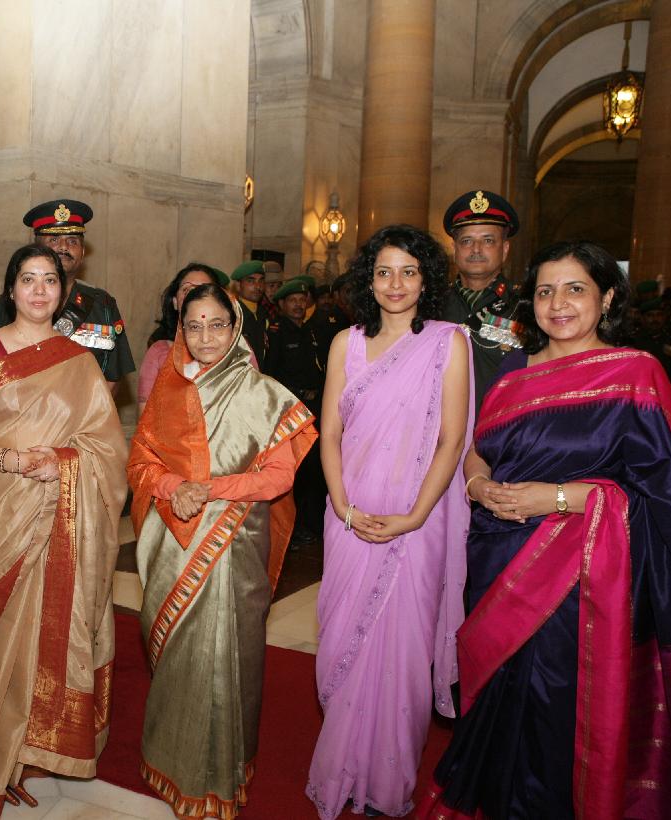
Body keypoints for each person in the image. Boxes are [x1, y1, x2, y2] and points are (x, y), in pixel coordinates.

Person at [419, 241, 671, 819]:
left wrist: (554, 497)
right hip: (498, 557)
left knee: (556, 703)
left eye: (576, 289)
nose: (558, 304)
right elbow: (478, 449)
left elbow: (664, 501)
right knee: (497, 695)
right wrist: (478, 484)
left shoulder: (635, 374)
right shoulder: (511, 374)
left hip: (583, 581)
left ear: (608, 297)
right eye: (545, 291)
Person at [0, 244, 127, 819]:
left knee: (48, 635)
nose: (40, 290)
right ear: (11, 289)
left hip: (61, 513)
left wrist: (64, 463)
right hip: (0, 509)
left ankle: (19, 759)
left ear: (63, 292)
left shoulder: (81, 360)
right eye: (28, 279)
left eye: (50, 280)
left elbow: (107, 447)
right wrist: (16, 462)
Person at [128, 283, 317, 819]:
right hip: (175, 538)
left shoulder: (264, 393)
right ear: (181, 331)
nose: (206, 337)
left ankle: (222, 772)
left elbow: (278, 478)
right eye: (194, 326)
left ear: (235, 328)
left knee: (232, 654)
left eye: (217, 325)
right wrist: (174, 487)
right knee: (180, 653)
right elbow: (139, 464)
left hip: (237, 544)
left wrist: (206, 490)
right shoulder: (168, 391)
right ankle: (171, 762)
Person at [305, 225, 471, 818]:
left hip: (416, 521)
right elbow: (329, 434)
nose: (395, 284)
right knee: (341, 645)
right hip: (350, 516)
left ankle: (386, 784)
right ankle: (343, 769)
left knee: (402, 656)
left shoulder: (449, 343)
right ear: (367, 281)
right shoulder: (344, 344)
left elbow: (452, 440)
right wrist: (343, 506)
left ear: (426, 280)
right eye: (383, 272)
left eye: (408, 272)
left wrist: (413, 516)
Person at [0, 199, 135, 387]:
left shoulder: (103, 304)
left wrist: (94, 406)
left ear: (83, 252)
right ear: (37, 249)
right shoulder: (14, 301)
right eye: (54, 240)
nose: (64, 247)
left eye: (72, 241)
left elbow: (112, 376)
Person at [440, 189, 523, 411]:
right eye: (467, 241)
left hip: (501, 428)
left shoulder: (526, 308)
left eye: (488, 240)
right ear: (454, 249)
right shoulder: (431, 306)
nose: (476, 249)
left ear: (505, 249)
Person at [263, 278, 324, 546]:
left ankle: (309, 524)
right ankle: (292, 529)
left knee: (312, 468)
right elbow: (270, 375)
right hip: (290, 410)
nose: (299, 305)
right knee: (294, 470)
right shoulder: (277, 333)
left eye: (302, 300)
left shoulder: (310, 331)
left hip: (313, 407)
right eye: (293, 301)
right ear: (282, 304)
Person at [137, 263, 221, 406]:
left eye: (204, 289)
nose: (195, 296)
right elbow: (146, 413)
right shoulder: (159, 352)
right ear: (175, 302)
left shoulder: (239, 348)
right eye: (187, 290)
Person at [632, 297, 671, 386]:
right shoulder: (634, 341)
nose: (655, 319)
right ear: (642, 318)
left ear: (664, 317)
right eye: (650, 315)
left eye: (659, 315)